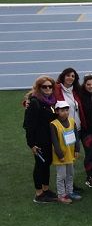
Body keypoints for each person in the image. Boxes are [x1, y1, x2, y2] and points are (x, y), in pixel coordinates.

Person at [24, 75, 58, 203]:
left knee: (47, 162)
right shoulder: (35, 102)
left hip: (48, 139)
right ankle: (39, 194)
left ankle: (45, 189)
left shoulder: (50, 101)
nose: (48, 89)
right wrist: (31, 144)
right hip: (38, 141)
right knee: (40, 165)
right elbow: (28, 125)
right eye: (44, 86)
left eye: (50, 86)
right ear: (39, 88)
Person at [49, 100, 81, 204]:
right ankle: (61, 195)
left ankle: (69, 191)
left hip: (70, 153)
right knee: (61, 176)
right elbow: (54, 141)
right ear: (57, 111)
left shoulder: (72, 121)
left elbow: (76, 136)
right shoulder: (54, 124)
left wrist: (77, 149)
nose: (65, 112)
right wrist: (60, 155)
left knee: (70, 174)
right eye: (62, 110)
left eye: (67, 110)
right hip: (61, 155)